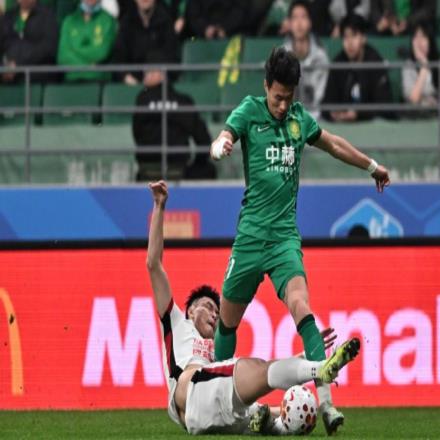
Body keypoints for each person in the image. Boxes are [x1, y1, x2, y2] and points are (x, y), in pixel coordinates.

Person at [210, 46, 389, 434]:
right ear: (266, 87)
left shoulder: (298, 120)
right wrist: (221, 144)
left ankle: (327, 405)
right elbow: (226, 134)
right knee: (227, 322)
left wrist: (372, 166)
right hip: (249, 239)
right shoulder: (249, 110)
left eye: (288, 98)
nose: (282, 105)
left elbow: (334, 143)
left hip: (283, 240)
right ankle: (218, 404)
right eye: (277, 97)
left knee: (300, 303)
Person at [146, 179, 361, 435]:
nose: (214, 314)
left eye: (217, 311)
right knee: (256, 369)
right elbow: (153, 264)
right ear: (190, 310)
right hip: (190, 390)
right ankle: (320, 369)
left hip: (207, 413)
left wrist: (306, 355)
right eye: (208, 307)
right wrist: (159, 206)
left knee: (270, 408)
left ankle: (286, 420)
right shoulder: (176, 322)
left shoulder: (216, 352)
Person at [132, 51, 217, 181]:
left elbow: (137, 134)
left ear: (160, 74)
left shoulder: (142, 99)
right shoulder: (183, 101)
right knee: (208, 170)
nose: (144, 78)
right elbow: (203, 139)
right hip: (179, 169)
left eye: (147, 73)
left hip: (148, 171)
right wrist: (196, 163)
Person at [322, 14, 392, 122]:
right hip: (343, 126)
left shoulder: (375, 63)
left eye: (354, 35)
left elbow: (385, 107)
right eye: (345, 37)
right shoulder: (338, 63)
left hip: (371, 125)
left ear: (363, 38)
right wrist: (333, 113)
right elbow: (327, 104)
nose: (349, 43)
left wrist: (358, 114)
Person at [113, 0, 179, 85]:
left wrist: (160, 75)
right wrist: (126, 77)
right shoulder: (126, 22)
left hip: (161, 82)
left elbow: (172, 55)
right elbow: (119, 57)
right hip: (132, 82)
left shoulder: (166, 19)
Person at [283, 0, 329, 119]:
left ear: (310, 22)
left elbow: (319, 98)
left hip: (315, 119)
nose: (299, 23)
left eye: (303, 17)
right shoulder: (282, 57)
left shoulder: (320, 57)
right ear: (289, 23)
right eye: (295, 18)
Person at [57, 0, 117, 82]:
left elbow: (101, 53)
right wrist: (89, 66)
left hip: (99, 81)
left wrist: (75, 54)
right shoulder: (68, 21)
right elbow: (63, 57)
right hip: (71, 81)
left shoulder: (108, 21)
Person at [2, 0, 58, 83]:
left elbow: (48, 47)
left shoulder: (47, 15)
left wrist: (18, 64)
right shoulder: (8, 16)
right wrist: (4, 67)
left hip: (37, 75)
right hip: (9, 76)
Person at [402, 22, 440, 115]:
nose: (419, 42)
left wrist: (425, 100)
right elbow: (413, 100)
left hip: (439, 116)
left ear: (430, 41)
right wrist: (424, 67)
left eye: (423, 37)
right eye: (415, 37)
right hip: (416, 117)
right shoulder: (408, 66)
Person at [370, 0, 436, 35]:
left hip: (415, 29)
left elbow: (429, 9)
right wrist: (384, 21)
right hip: (386, 30)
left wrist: (408, 21)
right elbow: (374, 10)